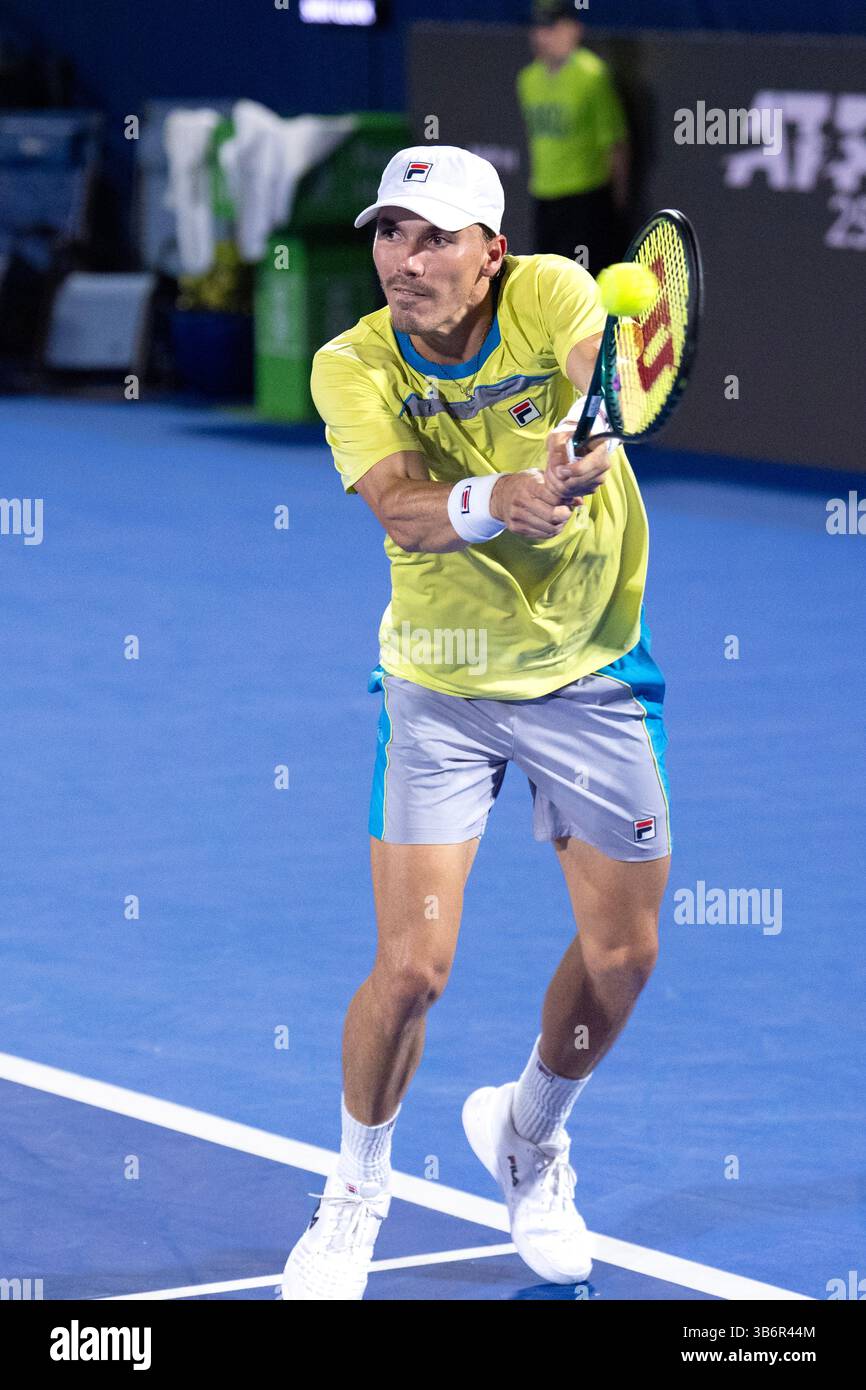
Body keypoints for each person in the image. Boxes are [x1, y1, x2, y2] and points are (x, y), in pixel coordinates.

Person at [281, 144, 670, 1301]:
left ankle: (529, 1135)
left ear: (491, 252)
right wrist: (494, 498)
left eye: (436, 236)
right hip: (440, 689)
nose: (405, 259)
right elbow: (401, 510)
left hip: (588, 668)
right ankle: (354, 1190)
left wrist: (588, 441)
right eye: (390, 234)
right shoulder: (347, 362)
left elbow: (600, 359)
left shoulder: (549, 290)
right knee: (411, 968)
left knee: (624, 954)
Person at [517, 0, 630, 271]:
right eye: (540, 28)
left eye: (553, 28)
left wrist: (619, 201)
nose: (543, 36)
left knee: (586, 280)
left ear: (574, 30)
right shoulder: (527, 79)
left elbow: (616, 143)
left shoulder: (592, 76)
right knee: (546, 282)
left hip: (586, 200)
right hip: (544, 197)